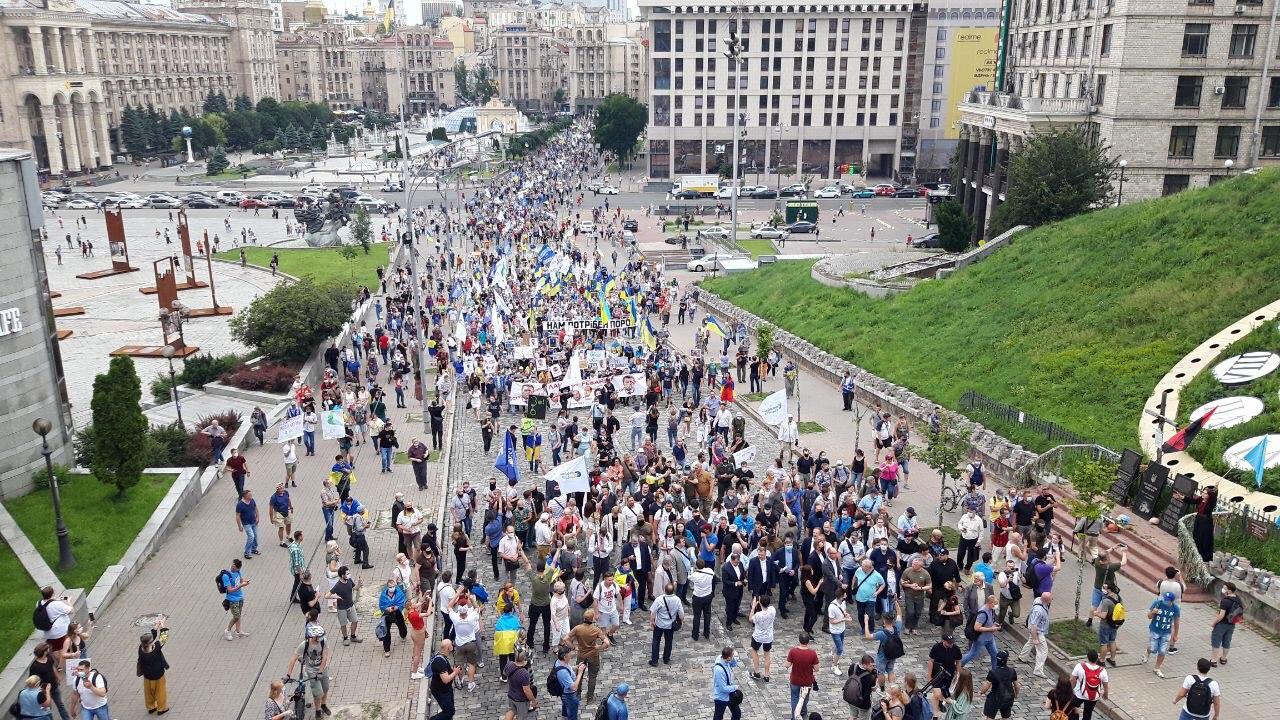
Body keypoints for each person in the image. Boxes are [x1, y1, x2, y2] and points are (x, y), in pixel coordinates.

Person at [285, 624, 331, 718]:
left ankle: (323, 705)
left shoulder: (323, 641)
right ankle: (318, 711)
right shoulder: (304, 645)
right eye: (318, 636)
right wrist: (288, 675)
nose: (320, 638)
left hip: (322, 669)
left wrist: (320, 671)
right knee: (317, 693)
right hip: (311, 671)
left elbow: (325, 657)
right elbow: (293, 658)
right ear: (312, 636)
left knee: (325, 688)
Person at [137, 617, 171, 715]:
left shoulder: (141, 649)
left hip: (147, 676)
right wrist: (162, 625)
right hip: (158, 676)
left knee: (148, 693)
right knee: (160, 692)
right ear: (150, 643)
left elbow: (151, 637)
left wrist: (156, 626)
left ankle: (151, 707)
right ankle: (161, 708)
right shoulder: (156, 649)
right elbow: (163, 637)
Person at [27, 643, 69, 720]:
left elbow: (52, 667)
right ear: (44, 652)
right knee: (47, 709)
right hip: (43, 691)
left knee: (60, 705)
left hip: (54, 687)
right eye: (47, 649)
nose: (49, 650)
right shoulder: (34, 667)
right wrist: (42, 690)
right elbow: (33, 681)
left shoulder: (48, 657)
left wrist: (57, 677)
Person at [1145, 590, 1180, 678]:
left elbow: (1176, 622)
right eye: (1165, 599)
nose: (1166, 601)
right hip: (1155, 630)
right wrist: (1153, 612)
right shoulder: (1157, 603)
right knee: (1153, 649)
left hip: (1166, 632)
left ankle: (1157, 668)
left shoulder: (1175, 608)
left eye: (1168, 600)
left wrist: (1175, 634)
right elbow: (1149, 616)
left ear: (1171, 601)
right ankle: (1148, 651)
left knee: (1162, 651)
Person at [648, 582, 684, 666]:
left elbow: (653, 612)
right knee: (668, 641)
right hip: (670, 625)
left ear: (665, 590)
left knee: (656, 641)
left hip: (659, 624)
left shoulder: (659, 599)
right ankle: (666, 659)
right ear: (673, 590)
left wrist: (652, 621)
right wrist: (681, 621)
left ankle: (654, 661)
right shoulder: (677, 600)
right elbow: (681, 614)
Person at [786, 632, 820, 719]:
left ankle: (795, 716)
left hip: (795, 679)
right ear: (808, 641)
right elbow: (817, 669)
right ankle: (803, 713)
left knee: (794, 698)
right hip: (807, 680)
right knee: (805, 697)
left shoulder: (793, 651)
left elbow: (787, 665)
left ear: (799, 640)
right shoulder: (812, 653)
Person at [961, 594, 1001, 668]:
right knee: (972, 654)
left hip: (989, 638)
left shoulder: (991, 610)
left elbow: (989, 620)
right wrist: (991, 629)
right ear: (990, 603)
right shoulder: (982, 613)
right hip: (981, 639)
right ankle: (959, 665)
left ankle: (995, 672)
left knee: (995, 654)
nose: (996, 605)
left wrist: (994, 624)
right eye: (995, 603)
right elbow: (976, 628)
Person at [1017, 591, 1051, 678]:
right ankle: (1038, 670)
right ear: (1047, 600)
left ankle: (1023, 657)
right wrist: (1035, 638)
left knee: (1030, 642)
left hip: (1035, 630)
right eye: (1050, 598)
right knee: (1043, 651)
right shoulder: (1038, 611)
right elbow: (1033, 626)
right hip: (1038, 632)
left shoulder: (1038, 600)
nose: (1052, 599)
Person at [977, 651, 1018, 720]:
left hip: (994, 698)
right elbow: (1017, 686)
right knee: (1005, 717)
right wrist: (1016, 694)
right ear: (1006, 660)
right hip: (1007, 698)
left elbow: (987, 685)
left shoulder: (993, 672)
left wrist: (981, 692)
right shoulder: (1012, 671)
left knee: (990, 717)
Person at [1068, 650, 1109, 720]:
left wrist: (1070, 690)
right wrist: (1106, 694)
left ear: (1087, 657)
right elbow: (1106, 684)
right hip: (1093, 696)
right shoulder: (1103, 671)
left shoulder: (1079, 666)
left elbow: (1072, 679)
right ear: (1097, 658)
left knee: (1073, 710)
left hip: (1078, 694)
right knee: (1088, 713)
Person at [1210, 582, 1243, 667]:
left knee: (1216, 641)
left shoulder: (1225, 601)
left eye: (1225, 588)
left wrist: (1214, 623)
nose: (1223, 589)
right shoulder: (1238, 598)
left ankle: (1213, 660)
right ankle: (1223, 659)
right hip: (1231, 624)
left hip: (1221, 624)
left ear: (1229, 591)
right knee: (1227, 641)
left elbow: (1221, 615)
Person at [329, 565, 362, 645]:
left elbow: (355, 588)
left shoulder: (349, 580)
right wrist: (336, 596)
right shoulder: (337, 586)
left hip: (351, 605)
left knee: (355, 621)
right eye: (347, 574)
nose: (349, 575)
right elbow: (327, 595)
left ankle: (353, 636)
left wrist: (359, 584)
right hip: (342, 608)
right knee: (343, 624)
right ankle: (345, 638)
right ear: (342, 575)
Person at [553, 646, 588, 720]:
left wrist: (577, 666)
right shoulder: (563, 672)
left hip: (563, 691)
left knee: (565, 705)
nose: (571, 657)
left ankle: (565, 716)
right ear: (565, 657)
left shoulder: (560, 662)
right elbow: (574, 687)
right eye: (570, 656)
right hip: (568, 694)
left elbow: (568, 668)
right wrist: (580, 673)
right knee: (572, 712)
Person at [428, 640, 460, 720]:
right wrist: (455, 672)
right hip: (441, 691)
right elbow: (445, 680)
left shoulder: (442, 656)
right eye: (451, 645)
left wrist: (452, 670)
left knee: (450, 709)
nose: (453, 646)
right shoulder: (440, 662)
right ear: (448, 648)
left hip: (447, 689)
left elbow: (444, 672)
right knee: (449, 712)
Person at [502, 649, 538, 720]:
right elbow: (526, 690)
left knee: (512, 711)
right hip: (521, 699)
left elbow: (504, 675)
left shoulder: (509, 664)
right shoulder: (524, 673)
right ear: (525, 658)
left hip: (511, 695)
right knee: (521, 717)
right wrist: (533, 700)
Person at [1092, 583, 1121, 668]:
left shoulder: (1106, 601)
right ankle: (1112, 659)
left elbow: (1103, 615)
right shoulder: (1118, 597)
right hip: (1115, 623)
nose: (1103, 589)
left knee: (1104, 643)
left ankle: (1101, 661)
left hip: (1106, 624)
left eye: (1104, 588)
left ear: (1109, 589)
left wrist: (1096, 613)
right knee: (1112, 641)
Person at [748, 595, 776, 682]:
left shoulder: (758, 615)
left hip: (758, 637)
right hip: (768, 637)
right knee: (767, 655)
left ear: (760, 603)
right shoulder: (772, 610)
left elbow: (750, 619)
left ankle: (757, 672)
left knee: (754, 651)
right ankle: (766, 675)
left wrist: (753, 607)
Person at [379, 577, 409, 657]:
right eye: (390, 587)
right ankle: (387, 649)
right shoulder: (383, 595)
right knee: (386, 632)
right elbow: (381, 605)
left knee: (402, 626)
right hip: (387, 614)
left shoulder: (399, 593)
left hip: (397, 612)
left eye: (393, 587)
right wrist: (387, 609)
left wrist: (396, 607)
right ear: (387, 587)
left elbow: (402, 602)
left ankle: (403, 635)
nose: (392, 588)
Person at [222, 558, 250, 641]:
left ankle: (238, 631)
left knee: (238, 615)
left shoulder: (238, 572)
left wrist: (245, 582)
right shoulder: (226, 576)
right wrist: (241, 585)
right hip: (232, 599)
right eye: (234, 566)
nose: (238, 570)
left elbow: (241, 580)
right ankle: (227, 631)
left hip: (240, 597)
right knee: (236, 616)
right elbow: (230, 590)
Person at [711, 646, 742, 720]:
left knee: (737, 713)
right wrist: (735, 687)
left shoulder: (723, 658)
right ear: (728, 658)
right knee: (718, 717)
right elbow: (723, 688)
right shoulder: (719, 670)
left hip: (730, 694)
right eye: (732, 656)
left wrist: (734, 658)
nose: (733, 657)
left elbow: (733, 664)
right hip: (721, 698)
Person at [235, 489, 260, 560]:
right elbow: (237, 516)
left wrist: (257, 517)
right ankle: (246, 552)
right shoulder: (240, 504)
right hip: (246, 524)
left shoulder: (252, 500)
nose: (251, 496)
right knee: (251, 536)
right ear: (245, 496)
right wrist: (239, 526)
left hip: (254, 522)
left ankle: (253, 549)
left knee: (255, 536)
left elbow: (256, 509)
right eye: (249, 495)